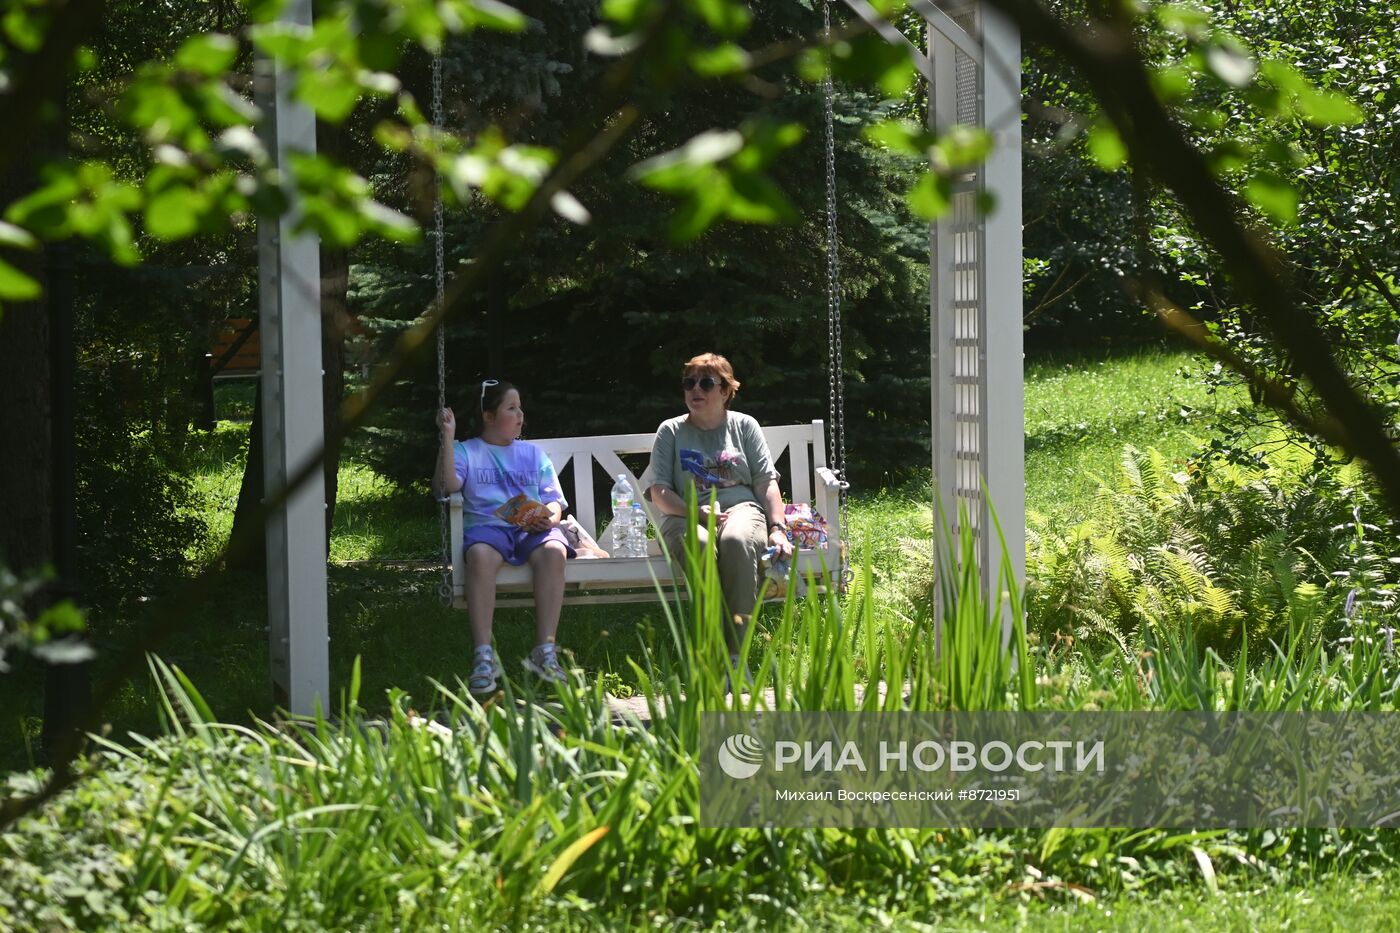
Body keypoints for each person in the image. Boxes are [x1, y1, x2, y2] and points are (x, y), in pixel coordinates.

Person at [645, 353, 795, 676]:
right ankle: (712, 655)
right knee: (699, 542)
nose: (695, 390)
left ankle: (735, 658)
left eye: (706, 383)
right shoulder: (670, 431)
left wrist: (778, 527)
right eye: (689, 383)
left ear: (726, 391)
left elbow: (766, 483)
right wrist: (694, 513)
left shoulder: (744, 426)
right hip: (684, 515)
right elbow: (659, 493)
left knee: (738, 540)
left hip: (739, 509)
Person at [433, 379, 574, 694]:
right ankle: (483, 655)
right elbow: (449, 487)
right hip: (488, 529)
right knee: (480, 556)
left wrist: (547, 517)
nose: (520, 414)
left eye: (520, 407)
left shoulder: (532, 453)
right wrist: (447, 436)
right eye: (512, 408)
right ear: (489, 415)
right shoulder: (467, 450)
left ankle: (545, 651)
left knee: (554, 551)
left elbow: (555, 501)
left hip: (530, 530)